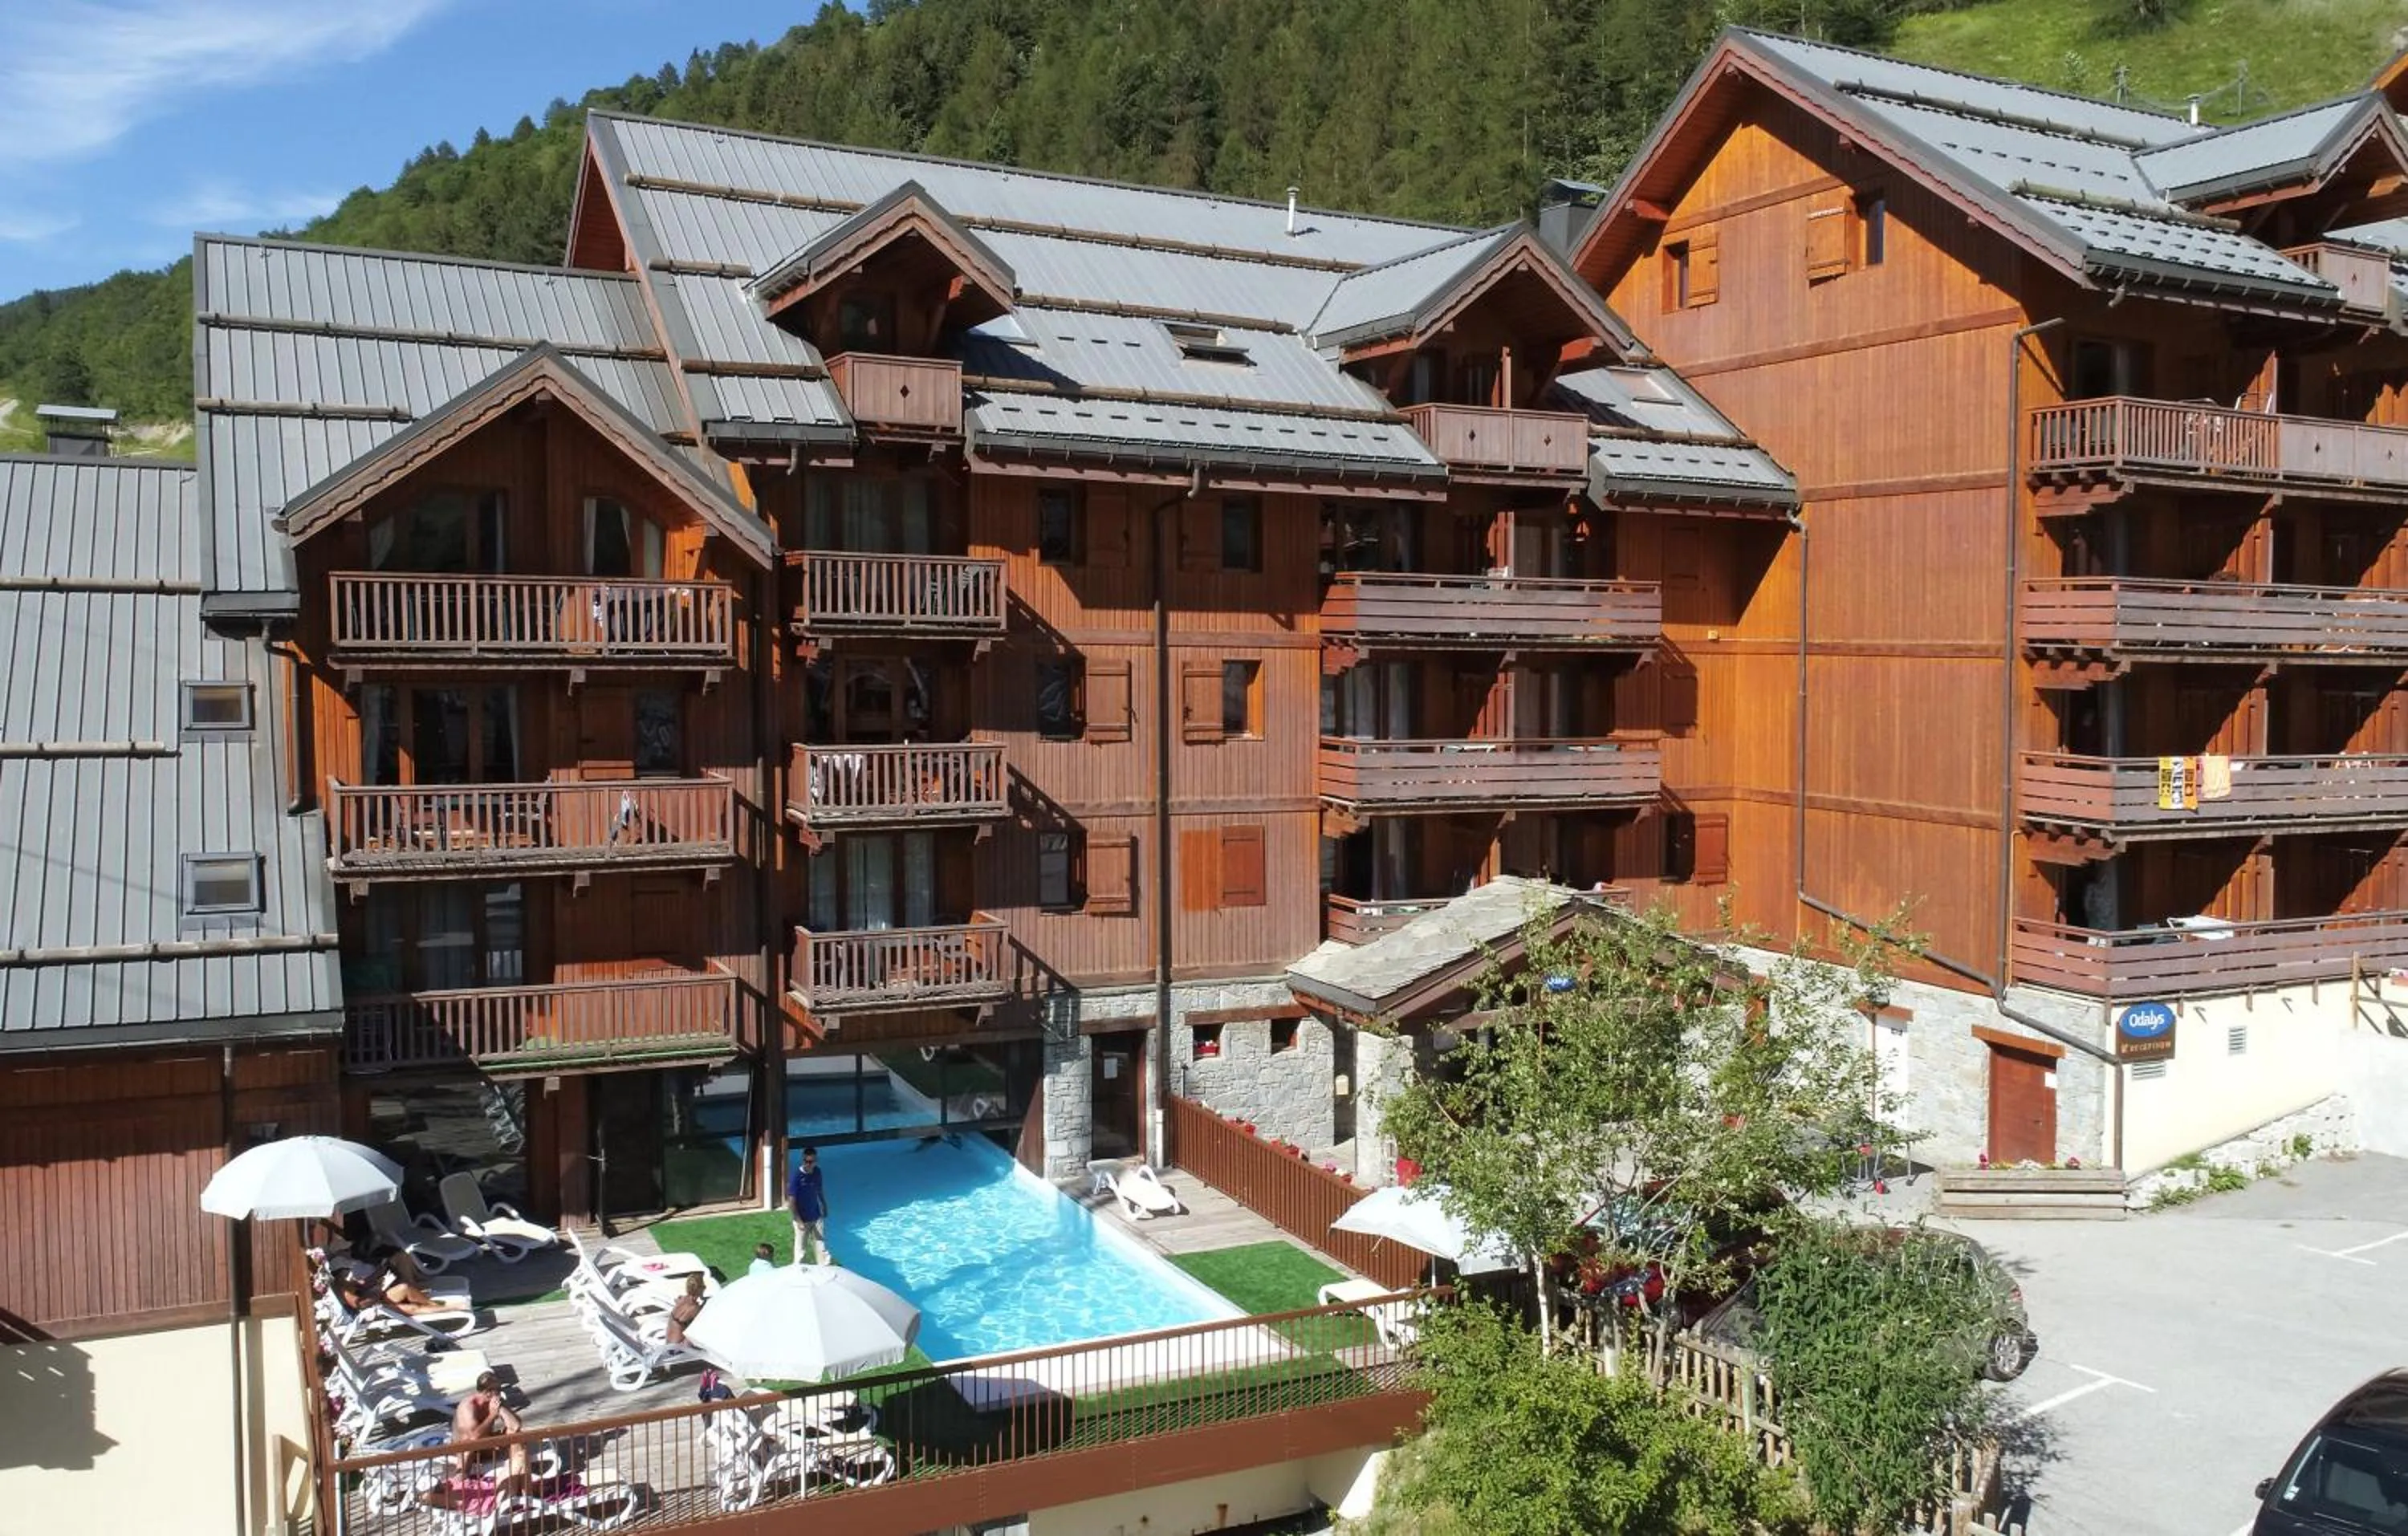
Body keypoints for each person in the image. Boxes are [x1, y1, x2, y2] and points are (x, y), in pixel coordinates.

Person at [452, 1371, 531, 1498]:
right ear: (483, 1391)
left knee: (515, 1435)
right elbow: (474, 1437)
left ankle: (521, 1482)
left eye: (498, 1389)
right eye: (492, 1390)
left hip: (486, 1444)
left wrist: (502, 1409)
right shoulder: (468, 1406)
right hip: (465, 1449)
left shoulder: (497, 1402)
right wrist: (493, 1415)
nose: (496, 1393)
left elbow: (516, 1426)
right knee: (468, 1445)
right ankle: (461, 1480)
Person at [787, 1145, 829, 1265]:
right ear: (803, 1161)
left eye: (812, 1162)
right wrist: (799, 1220)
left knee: (820, 1244)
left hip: (816, 1215)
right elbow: (791, 1201)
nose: (809, 1164)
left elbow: (819, 1189)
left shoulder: (817, 1172)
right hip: (802, 1218)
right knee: (801, 1249)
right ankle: (799, 1271)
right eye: (806, 1161)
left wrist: (824, 1205)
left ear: (816, 1161)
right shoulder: (797, 1176)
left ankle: (824, 1268)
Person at [665, 1273, 707, 1346]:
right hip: (678, 1348)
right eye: (703, 1286)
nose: (705, 1287)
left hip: (668, 1343)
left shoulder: (680, 1299)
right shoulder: (694, 1309)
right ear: (699, 1288)